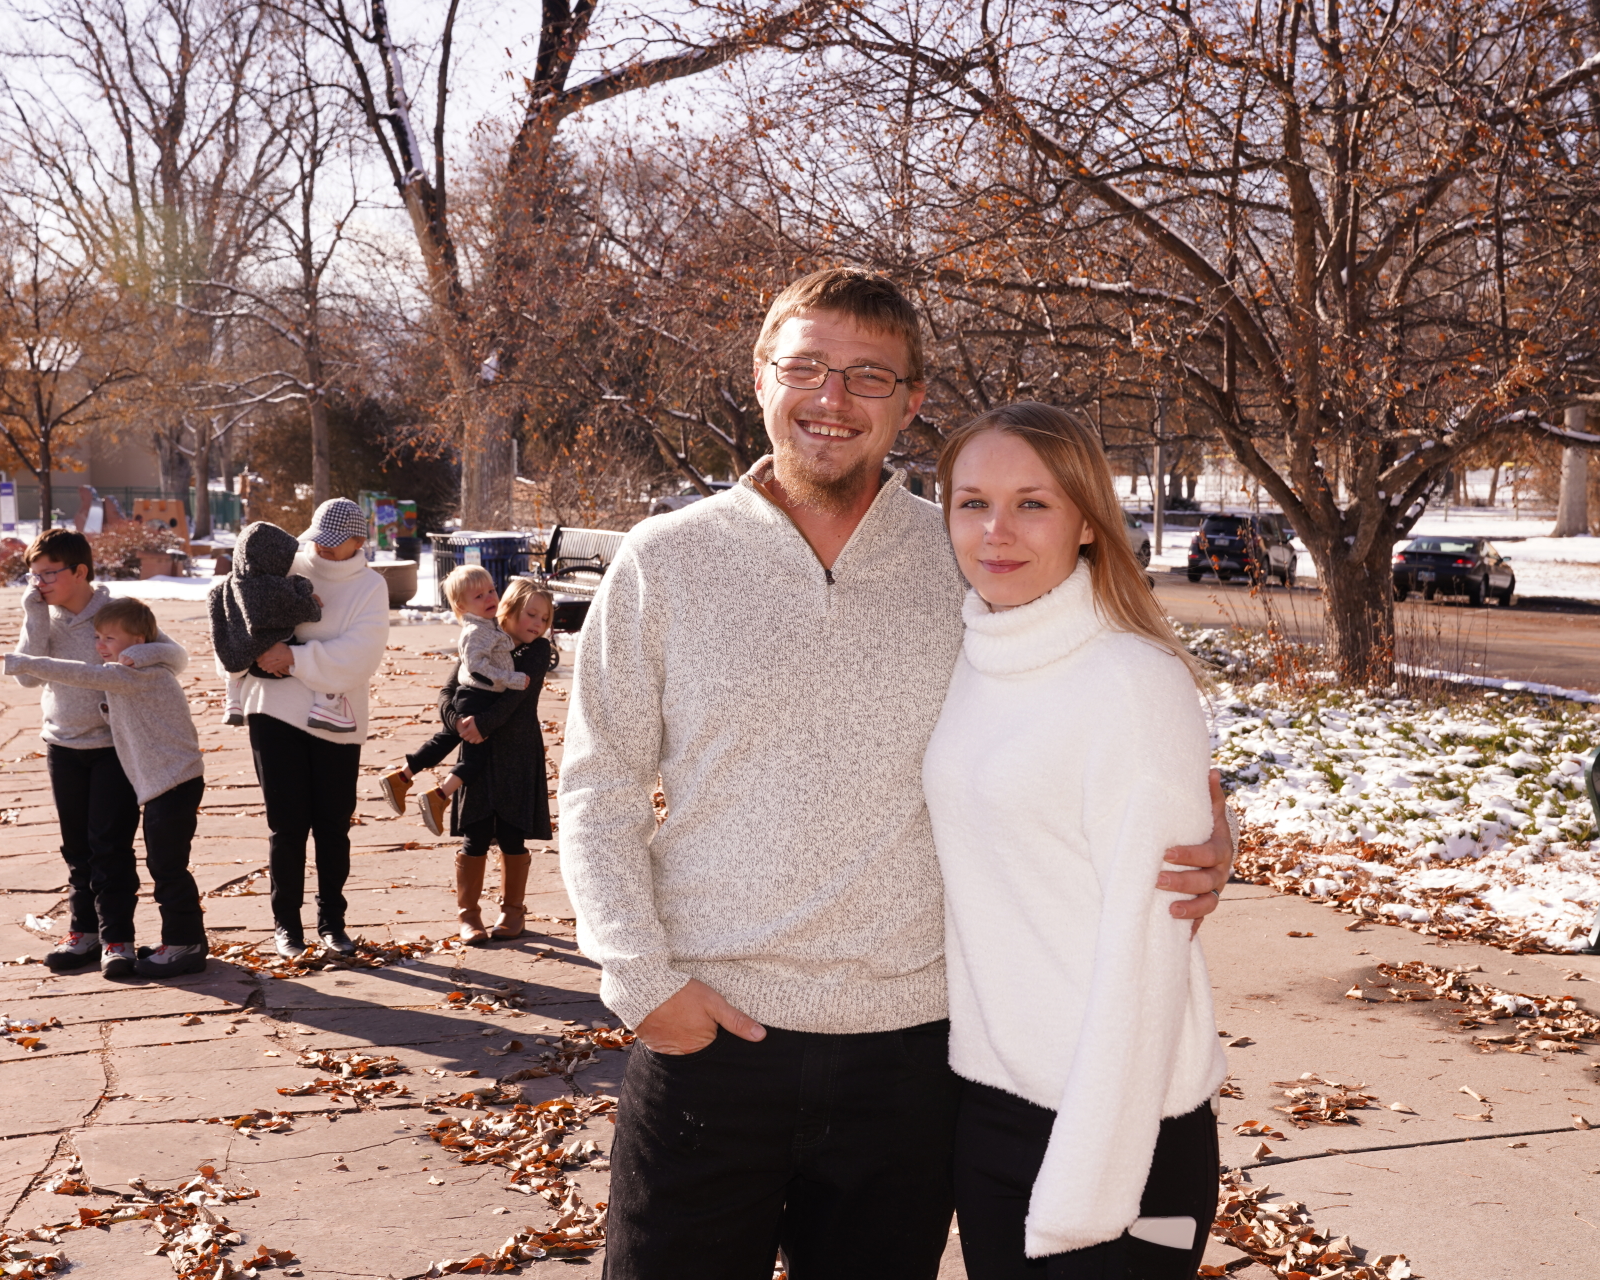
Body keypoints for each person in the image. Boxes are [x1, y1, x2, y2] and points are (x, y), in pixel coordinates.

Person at [556, 267, 1234, 1279]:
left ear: (913, 401)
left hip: (913, 1063)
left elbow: (1094, 690)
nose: (833, 400)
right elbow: (596, 783)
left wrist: (1205, 827)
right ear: (760, 376)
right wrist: (640, 978)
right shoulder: (666, 560)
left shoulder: (967, 549)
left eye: (870, 377)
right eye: (808, 368)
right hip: (710, 1042)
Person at [926, 405, 1225, 1278]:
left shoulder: (1131, 680)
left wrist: (1088, 1185)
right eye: (971, 503)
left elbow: (1150, 948)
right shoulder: (979, 650)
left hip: (1124, 1132)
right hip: (994, 1104)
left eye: (1033, 504)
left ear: (1088, 520)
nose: (996, 532)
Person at [10, 528, 190, 975]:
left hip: (113, 746)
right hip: (62, 743)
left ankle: (117, 941)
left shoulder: (113, 614)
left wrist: (135, 658)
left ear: (80, 571)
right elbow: (28, 677)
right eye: (33, 575)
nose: (40, 583)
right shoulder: (42, 616)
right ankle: (83, 934)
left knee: (108, 846)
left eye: (49, 574)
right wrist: (33, 615)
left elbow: (175, 655)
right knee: (77, 850)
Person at [235, 499, 390, 958]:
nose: (320, 547)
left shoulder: (370, 587)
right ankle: (287, 926)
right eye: (317, 537)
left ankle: (332, 921)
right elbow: (242, 608)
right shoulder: (288, 564)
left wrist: (296, 657)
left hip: (336, 720)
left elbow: (361, 654)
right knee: (286, 826)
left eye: (333, 542)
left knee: (332, 825)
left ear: (359, 543)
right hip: (275, 709)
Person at [436, 580, 557, 943]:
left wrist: (481, 726)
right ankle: (469, 916)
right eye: (530, 614)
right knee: (475, 834)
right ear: (510, 609)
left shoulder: (537, 652)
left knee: (511, 834)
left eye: (545, 617)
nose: (537, 623)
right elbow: (449, 688)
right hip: (478, 753)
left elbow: (514, 701)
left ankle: (512, 912)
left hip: (516, 754)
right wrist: (455, 721)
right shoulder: (482, 637)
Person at [378, 565, 529, 835]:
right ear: (462, 606)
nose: (490, 598)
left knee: (445, 740)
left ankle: (401, 777)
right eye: (479, 596)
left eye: (492, 590)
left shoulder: (485, 625)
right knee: (474, 757)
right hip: (479, 698)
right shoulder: (475, 632)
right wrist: (510, 677)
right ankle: (438, 796)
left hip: (473, 696)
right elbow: (475, 667)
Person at [207, 521, 324, 727]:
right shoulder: (272, 585)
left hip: (240, 658)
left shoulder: (223, 588)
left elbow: (218, 625)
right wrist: (311, 603)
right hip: (272, 663)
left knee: (233, 646)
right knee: (313, 655)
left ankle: (234, 695)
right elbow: (301, 610)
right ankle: (328, 701)